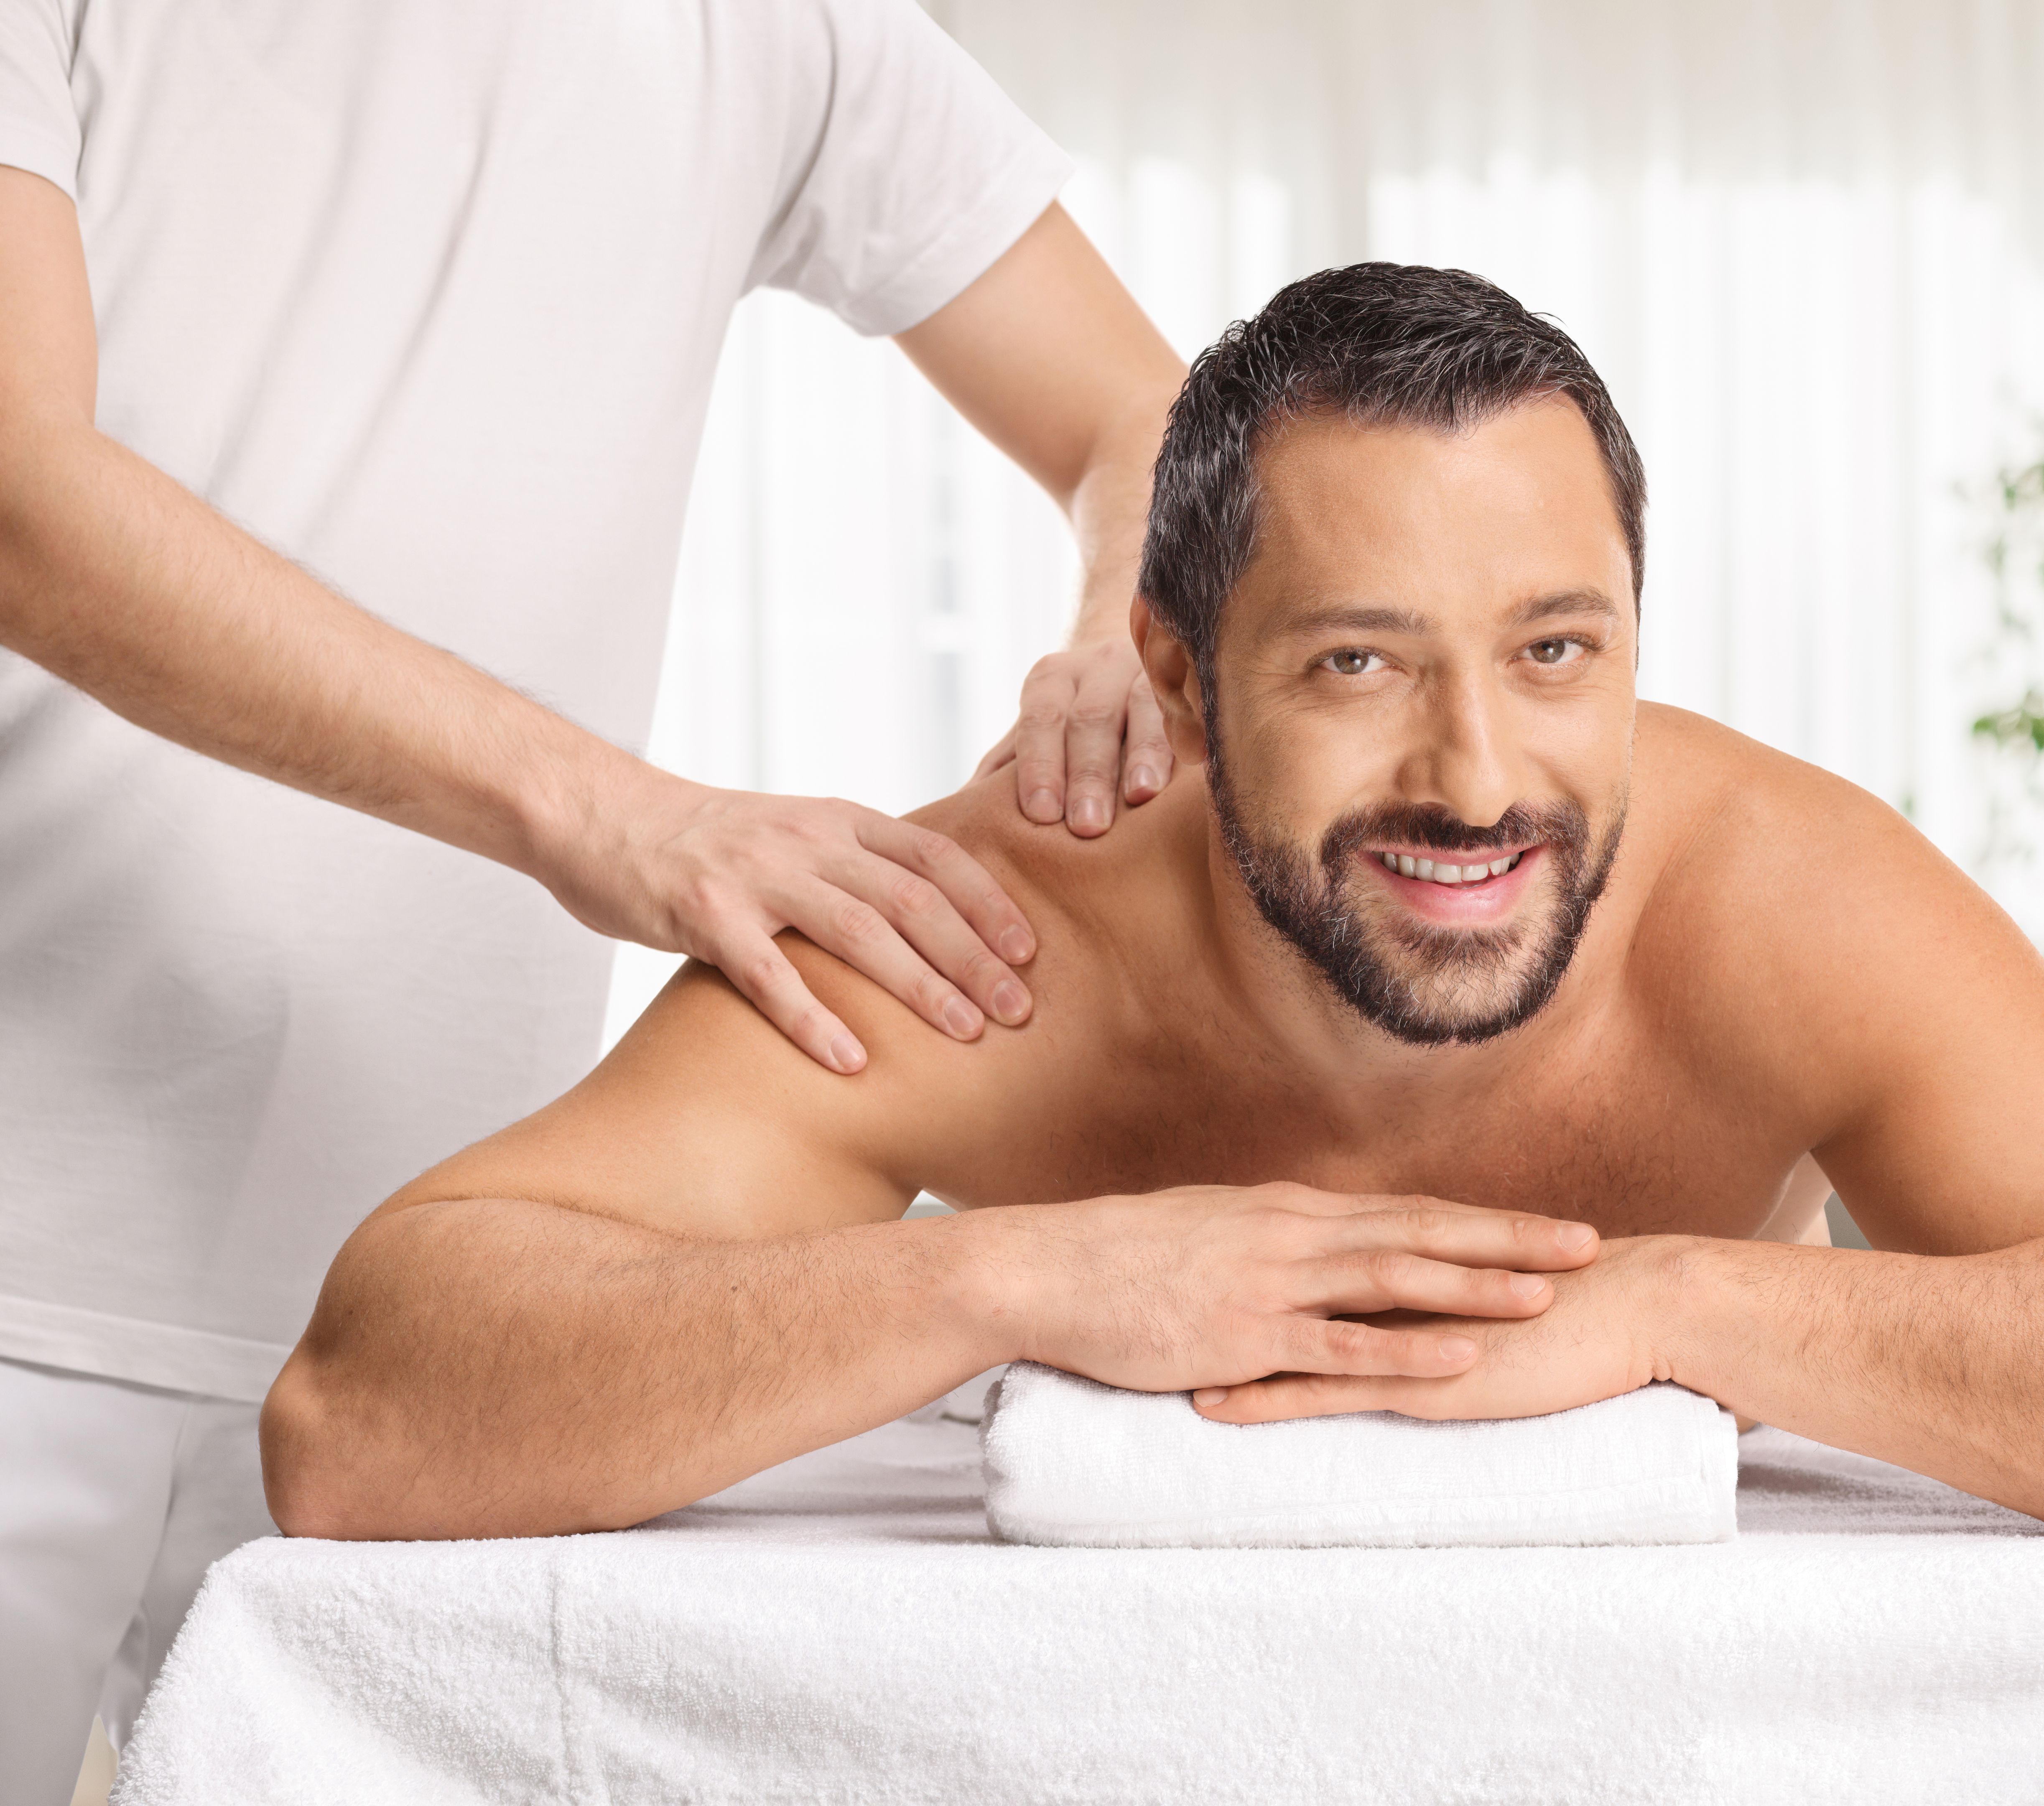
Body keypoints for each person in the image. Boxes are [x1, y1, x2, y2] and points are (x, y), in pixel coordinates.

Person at [264, 263, 2044, 1548]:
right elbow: (361, 1419)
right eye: (1354, 661)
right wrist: (1020, 1282)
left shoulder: (1780, 899)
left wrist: (1683, 1312)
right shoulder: (981, 942)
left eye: (1554, 650)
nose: (1478, 777)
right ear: (1171, 683)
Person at [0, 3, 1186, 1797]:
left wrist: (1124, 623)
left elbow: (1140, 409)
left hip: (426, 1329)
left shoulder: (784, 30)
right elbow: (18, 489)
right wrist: (619, 817)